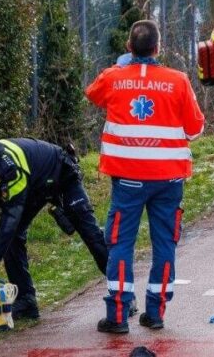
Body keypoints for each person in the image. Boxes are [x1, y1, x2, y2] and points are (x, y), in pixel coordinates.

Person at [85, 20, 205, 334]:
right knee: (164, 243)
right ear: (158, 47)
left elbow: (93, 94)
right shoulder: (177, 81)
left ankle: (118, 314)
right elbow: (195, 128)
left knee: (120, 243)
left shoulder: (113, 77)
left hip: (127, 178)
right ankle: (156, 312)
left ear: (128, 47)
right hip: (168, 178)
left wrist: (121, 69)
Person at [0, 137, 109, 320]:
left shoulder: (9, 170)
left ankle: (123, 293)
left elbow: (11, 217)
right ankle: (26, 301)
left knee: (89, 232)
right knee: (12, 239)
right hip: (34, 187)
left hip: (60, 174)